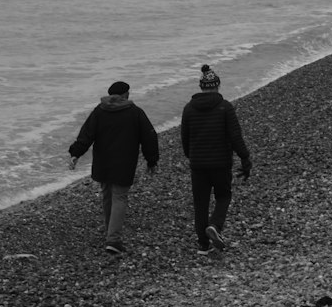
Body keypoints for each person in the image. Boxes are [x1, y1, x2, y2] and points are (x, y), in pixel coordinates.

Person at [68, 80, 159, 255]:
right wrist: (151, 160)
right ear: (125, 95)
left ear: (110, 95)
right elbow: (149, 137)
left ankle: (110, 232)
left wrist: (75, 154)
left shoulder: (99, 111)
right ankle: (114, 239)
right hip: (124, 162)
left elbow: (86, 134)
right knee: (119, 197)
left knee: (107, 195)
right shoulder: (135, 113)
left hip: (103, 162)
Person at [180, 64, 252, 255]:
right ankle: (215, 226)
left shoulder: (189, 109)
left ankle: (203, 244)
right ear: (217, 86)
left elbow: (185, 139)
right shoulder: (224, 107)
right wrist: (245, 158)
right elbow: (236, 137)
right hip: (221, 163)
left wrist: (192, 156)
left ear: (201, 86)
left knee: (200, 203)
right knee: (223, 196)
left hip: (198, 165)